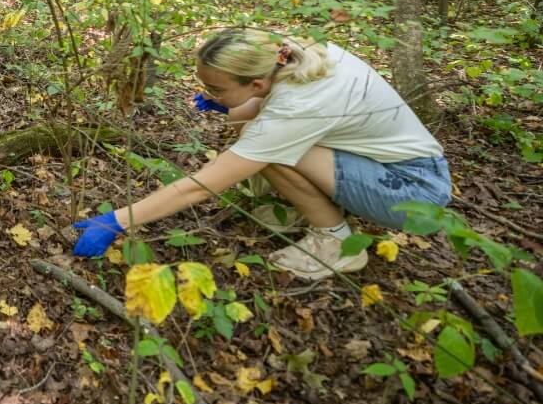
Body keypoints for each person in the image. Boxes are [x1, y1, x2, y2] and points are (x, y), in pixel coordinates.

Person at [71, 28, 452, 280]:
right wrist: (227, 103)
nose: (207, 93)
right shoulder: (289, 56)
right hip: (378, 164)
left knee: (258, 144)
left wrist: (118, 220)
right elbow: (258, 107)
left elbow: (201, 186)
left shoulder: (301, 103)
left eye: (214, 87)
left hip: (412, 193)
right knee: (249, 127)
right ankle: (299, 208)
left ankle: (336, 243)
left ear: (255, 82)